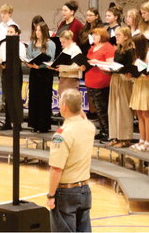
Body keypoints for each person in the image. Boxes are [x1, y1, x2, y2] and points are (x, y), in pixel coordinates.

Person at [46, 88, 95, 232]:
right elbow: (83, 117)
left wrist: (51, 195)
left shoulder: (62, 135)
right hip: (85, 189)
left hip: (67, 192)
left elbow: (56, 169)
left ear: (64, 107)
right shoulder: (89, 127)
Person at [85, 27, 115, 142]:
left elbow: (110, 64)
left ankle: (108, 131)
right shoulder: (92, 47)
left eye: (96, 35)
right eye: (93, 35)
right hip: (90, 80)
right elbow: (88, 60)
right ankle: (102, 130)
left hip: (101, 81)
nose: (93, 37)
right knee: (97, 109)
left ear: (102, 36)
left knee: (103, 108)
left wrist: (97, 62)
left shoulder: (108, 47)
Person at [26, 21, 56, 133]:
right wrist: (29, 63)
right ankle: (34, 124)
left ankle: (43, 125)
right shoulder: (32, 43)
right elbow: (28, 56)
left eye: (39, 30)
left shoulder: (50, 44)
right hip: (34, 72)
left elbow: (51, 59)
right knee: (34, 97)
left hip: (45, 74)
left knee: (44, 98)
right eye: (36, 30)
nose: (37, 32)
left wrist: (40, 66)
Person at [0, 24, 26, 130]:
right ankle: (7, 122)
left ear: (17, 33)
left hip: (16, 72)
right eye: (8, 32)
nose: (9, 34)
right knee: (7, 97)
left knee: (16, 97)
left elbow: (21, 58)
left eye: (11, 32)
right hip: (6, 71)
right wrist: (1, 63)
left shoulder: (20, 45)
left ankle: (18, 123)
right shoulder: (3, 44)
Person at [107, 27, 134, 148]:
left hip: (124, 80)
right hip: (115, 78)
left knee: (123, 109)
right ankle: (115, 136)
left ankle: (125, 137)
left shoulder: (130, 50)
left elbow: (130, 67)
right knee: (113, 108)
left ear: (126, 37)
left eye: (119, 35)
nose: (116, 37)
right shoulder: (118, 49)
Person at [128, 34, 149, 151]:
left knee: (146, 114)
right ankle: (141, 140)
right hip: (138, 84)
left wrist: (143, 73)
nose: (133, 47)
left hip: (147, 85)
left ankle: (148, 142)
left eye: (134, 44)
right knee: (139, 114)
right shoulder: (139, 55)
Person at [51, 30, 82, 100]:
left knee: (70, 102)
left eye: (63, 42)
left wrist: (62, 68)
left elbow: (77, 66)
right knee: (63, 101)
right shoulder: (65, 49)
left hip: (71, 79)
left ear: (69, 39)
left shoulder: (75, 49)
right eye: (61, 42)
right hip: (63, 78)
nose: (62, 44)